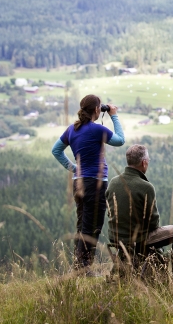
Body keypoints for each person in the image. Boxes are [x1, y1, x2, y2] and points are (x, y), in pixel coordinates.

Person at [52, 94, 125, 270]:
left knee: (82, 224)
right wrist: (114, 115)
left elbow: (56, 150)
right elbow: (120, 140)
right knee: (92, 226)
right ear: (97, 110)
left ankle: (79, 265)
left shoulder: (72, 130)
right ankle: (83, 268)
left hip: (78, 182)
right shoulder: (97, 130)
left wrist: (74, 168)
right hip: (95, 183)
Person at [105, 144, 173, 279]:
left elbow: (110, 212)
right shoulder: (146, 187)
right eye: (148, 161)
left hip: (115, 238)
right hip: (139, 240)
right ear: (144, 163)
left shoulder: (113, 182)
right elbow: (153, 223)